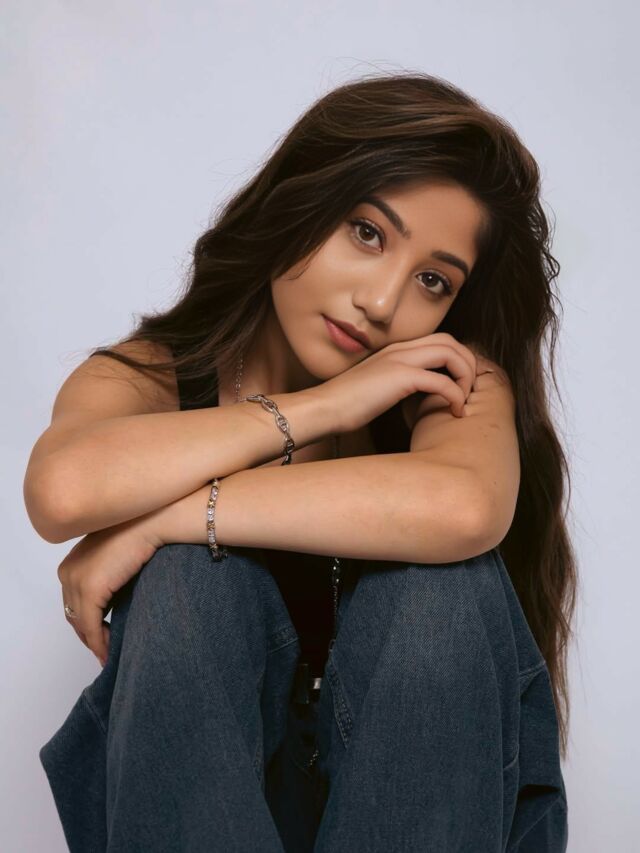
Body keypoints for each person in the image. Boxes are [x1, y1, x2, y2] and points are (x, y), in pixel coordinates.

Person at [25, 71, 574, 851]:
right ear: (299, 200)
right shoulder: (150, 374)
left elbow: (465, 506)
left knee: (440, 583)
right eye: (367, 233)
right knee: (189, 576)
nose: (381, 303)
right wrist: (329, 405)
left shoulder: (450, 379)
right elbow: (62, 488)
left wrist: (156, 520)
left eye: (432, 280)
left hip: (432, 809)